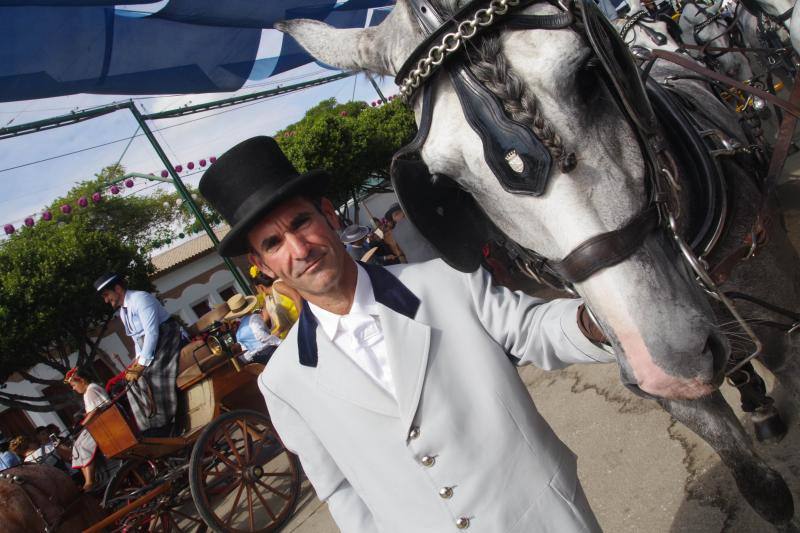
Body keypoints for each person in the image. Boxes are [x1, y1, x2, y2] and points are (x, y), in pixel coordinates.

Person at [199, 136, 613, 533]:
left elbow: (533, 330)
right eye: (274, 243)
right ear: (263, 264)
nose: (299, 248)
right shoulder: (283, 381)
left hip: (541, 516)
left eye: (301, 222)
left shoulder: (444, 281)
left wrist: (600, 320)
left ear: (329, 214)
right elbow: (341, 490)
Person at [93, 272, 182, 437]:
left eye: (107, 295)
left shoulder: (141, 299)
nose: (106, 300)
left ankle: (168, 423)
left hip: (167, 338)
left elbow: (151, 332)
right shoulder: (122, 312)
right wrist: (136, 362)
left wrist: (143, 364)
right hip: (151, 345)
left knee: (152, 375)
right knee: (130, 383)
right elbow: (137, 340)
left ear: (118, 288)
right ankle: (150, 425)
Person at [65, 367, 109, 491]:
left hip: (103, 423)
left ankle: (90, 481)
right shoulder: (90, 390)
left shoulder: (91, 390)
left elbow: (96, 410)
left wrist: (83, 424)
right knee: (77, 444)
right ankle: (88, 481)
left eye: (74, 385)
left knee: (82, 445)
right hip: (99, 422)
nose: (73, 388)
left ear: (82, 381)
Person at [224, 293, 282, 364]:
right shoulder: (253, 318)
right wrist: (279, 342)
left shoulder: (238, 331)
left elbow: (245, 348)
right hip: (268, 352)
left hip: (256, 358)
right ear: (248, 306)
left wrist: (245, 360)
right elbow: (262, 336)